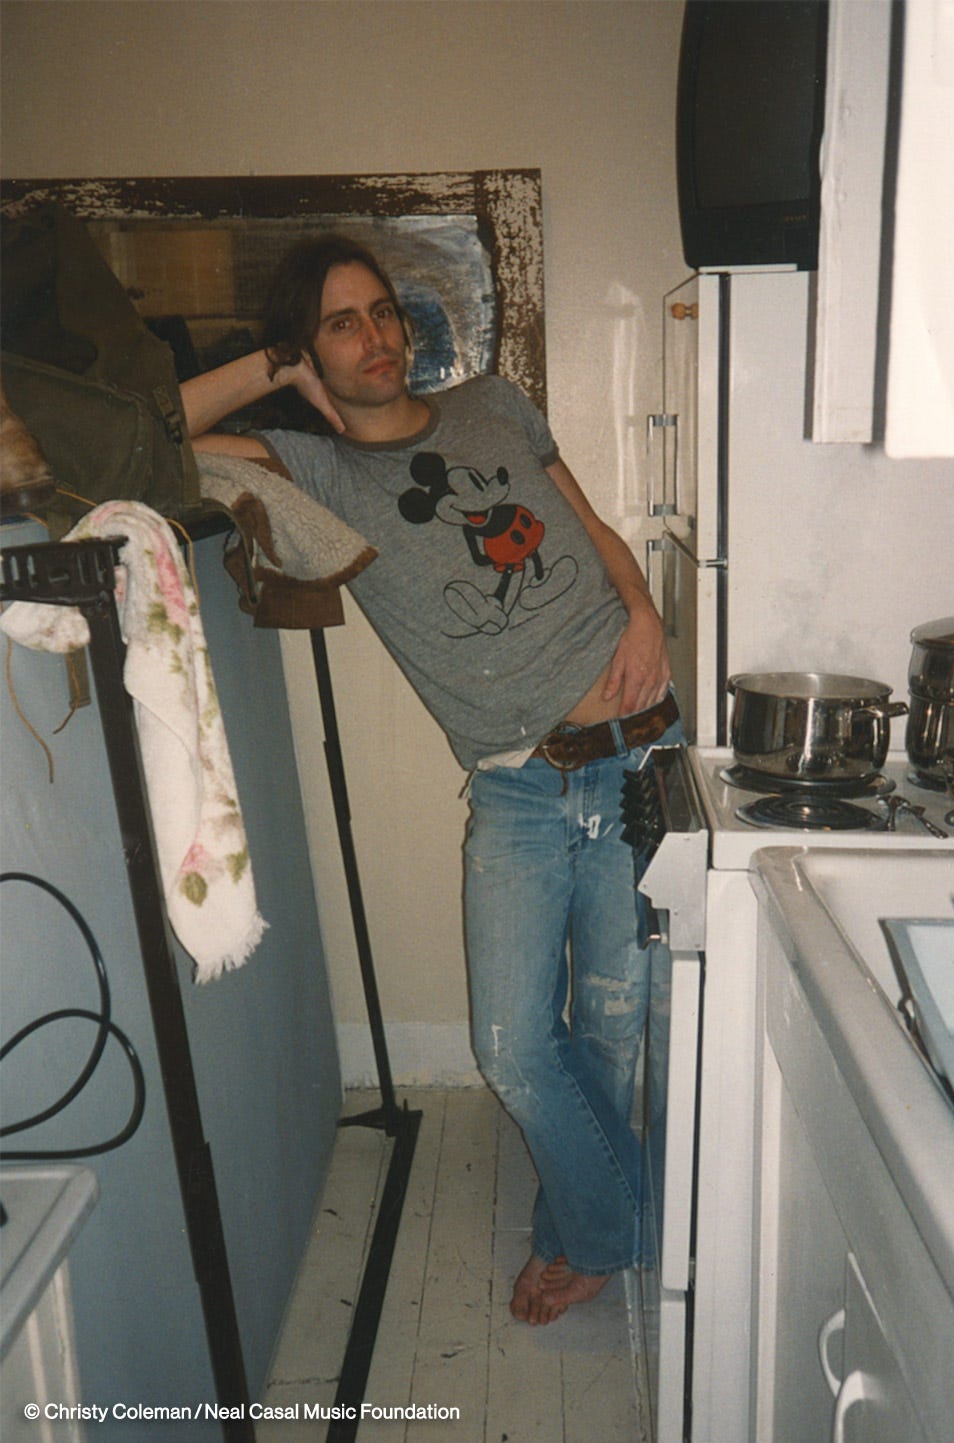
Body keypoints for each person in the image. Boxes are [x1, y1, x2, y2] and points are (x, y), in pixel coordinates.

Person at [181, 235, 682, 1326]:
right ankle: (634, 1228)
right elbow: (147, 444)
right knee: (512, 1045)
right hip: (516, 788)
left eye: (382, 312)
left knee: (613, 1030)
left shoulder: (493, 402)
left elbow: (592, 529)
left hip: (638, 751)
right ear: (307, 350)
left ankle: (583, 1237)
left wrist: (646, 612)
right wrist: (273, 367)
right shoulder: (314, 468)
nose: (376, 336)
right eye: (340, 323)